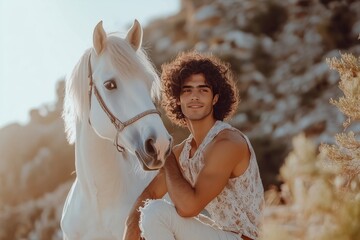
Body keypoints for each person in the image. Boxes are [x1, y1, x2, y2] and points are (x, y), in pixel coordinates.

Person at [123, 51, 264, 240]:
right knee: (145, 211)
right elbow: (150, 193)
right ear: (178, 100)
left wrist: (167, 154)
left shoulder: (227, 143)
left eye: (203, 90)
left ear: (215, 98)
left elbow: (189, 207)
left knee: (156, 213)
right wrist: (131, 224)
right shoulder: (184, 151)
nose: (194, 96)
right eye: (187, 90)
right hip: (219, 234)